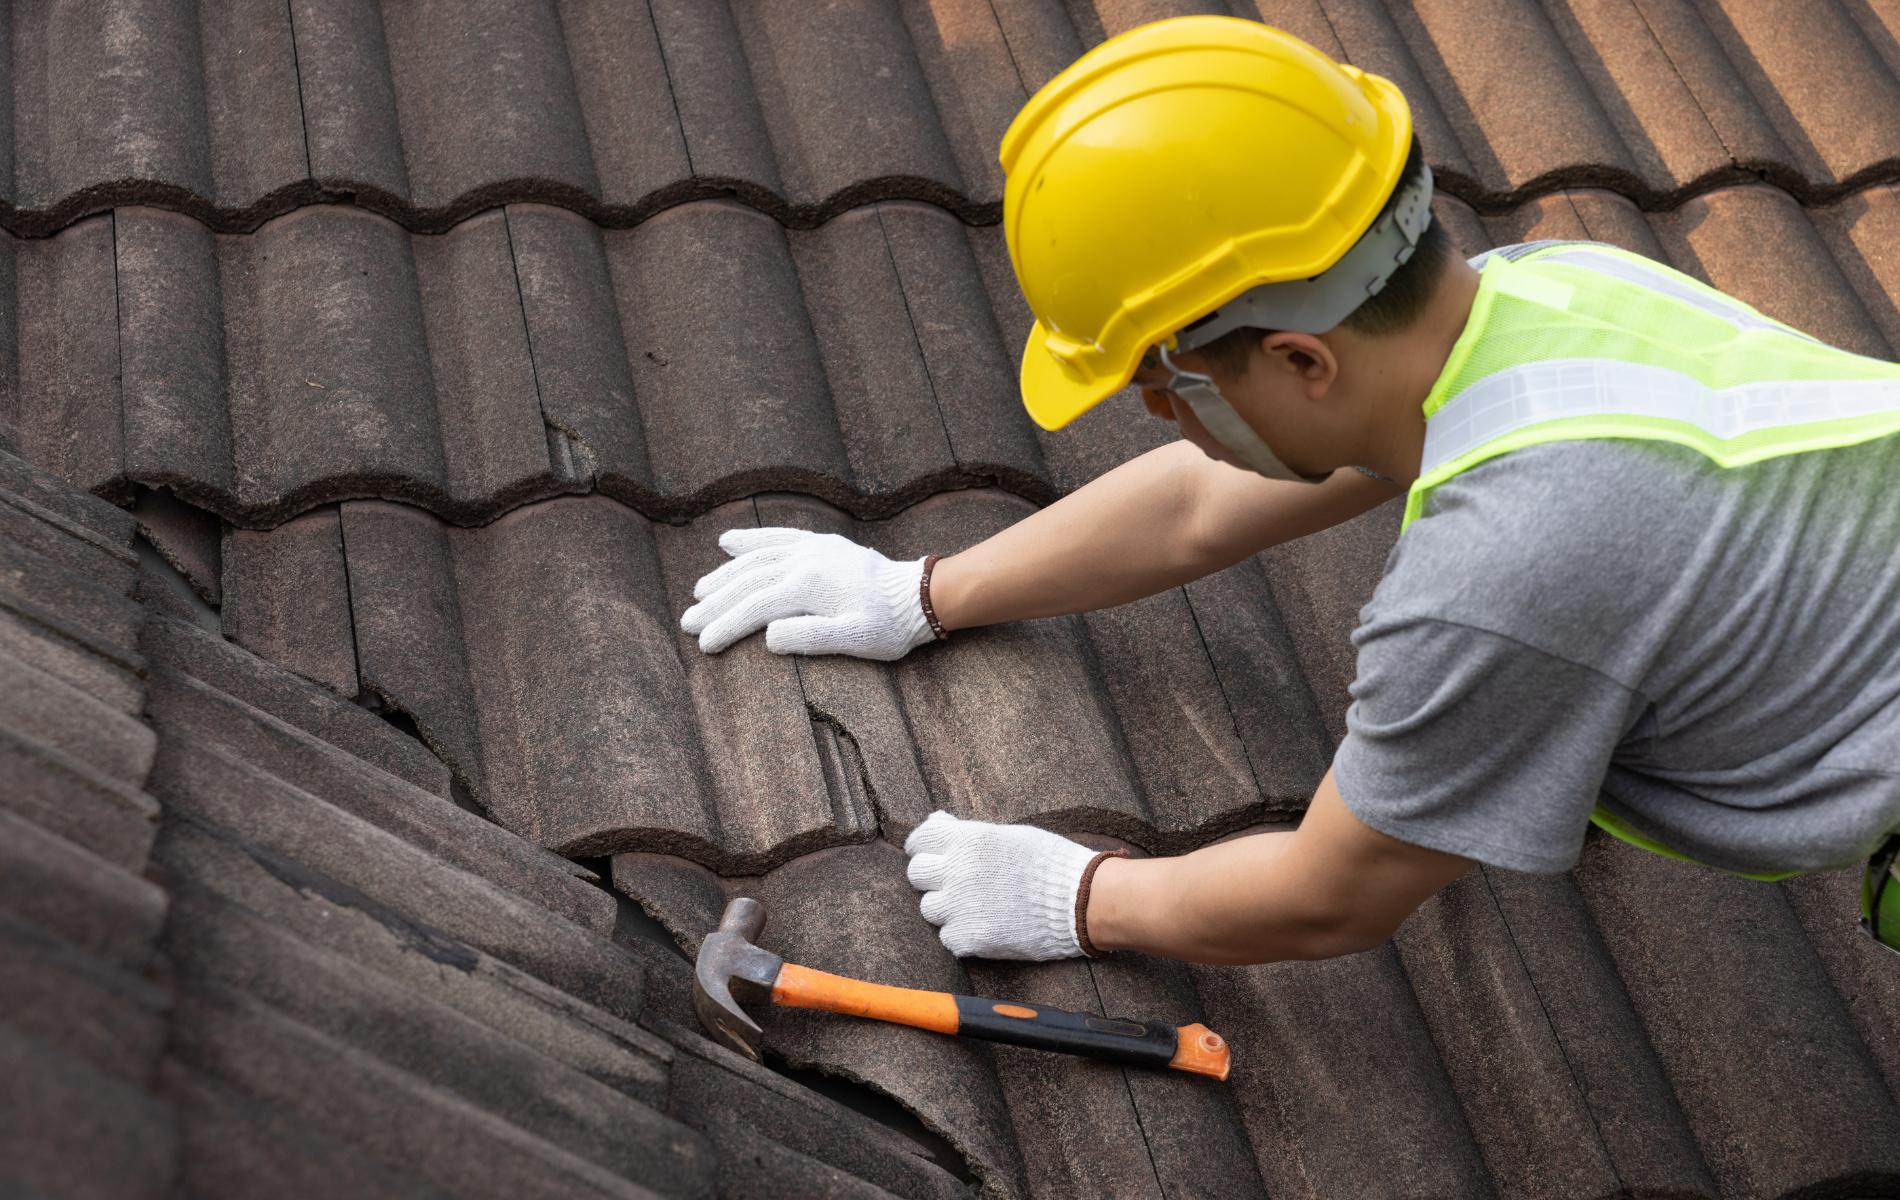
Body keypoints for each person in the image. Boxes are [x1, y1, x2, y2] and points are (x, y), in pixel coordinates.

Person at [681, 16, 1900, 966]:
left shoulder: (1503, 575)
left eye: (1162, 384)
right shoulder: (1547, 289)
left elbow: (1335, 892)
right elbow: (1198, 506)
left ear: (1302, 359)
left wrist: (1084, 896)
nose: (1160, 416)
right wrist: (923, 591)